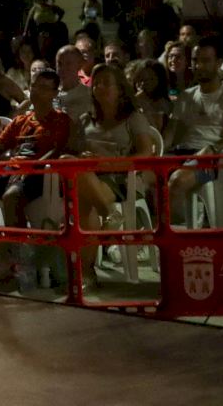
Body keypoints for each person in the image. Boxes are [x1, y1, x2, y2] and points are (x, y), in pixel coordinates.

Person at [0, 69, 71, 239]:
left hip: (39, 173)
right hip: (11, 171)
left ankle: (18, 248)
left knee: (11, 196)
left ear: (54, 94)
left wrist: (29, 169)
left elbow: (57, 150)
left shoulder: (61, 120)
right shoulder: (20, 121)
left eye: (44, 88)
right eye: (34, 86)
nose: (37, 91)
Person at [70, 63, 155, 285]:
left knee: (83, 197)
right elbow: (74, 150)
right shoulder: (85, 119)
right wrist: (84, 155)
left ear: (120, 89)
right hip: (90, 176)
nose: (99, 87)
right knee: (72, 167)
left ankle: (86, 272)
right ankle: (109, 213)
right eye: (96, 83)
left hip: (122, 178)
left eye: (106, 83)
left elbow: (146, 153)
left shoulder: (133, 118)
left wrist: (107, 163)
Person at [166, 38, 223, 208]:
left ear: (219, 63)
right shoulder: (186, 96)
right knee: (145, 178)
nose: (199, 66)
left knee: (178, 181)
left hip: (211, 158)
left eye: (206, 61)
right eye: (195, 60)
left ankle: (179, 224)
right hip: (182, 153)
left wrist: (213, 148)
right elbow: (171, 133)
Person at [126, 58, 171, 134]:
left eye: (150, 79)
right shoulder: (129, 102)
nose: (144, 84)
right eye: (141, 79)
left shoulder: (164, 105)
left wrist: (144, 104)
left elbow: (156, 133)